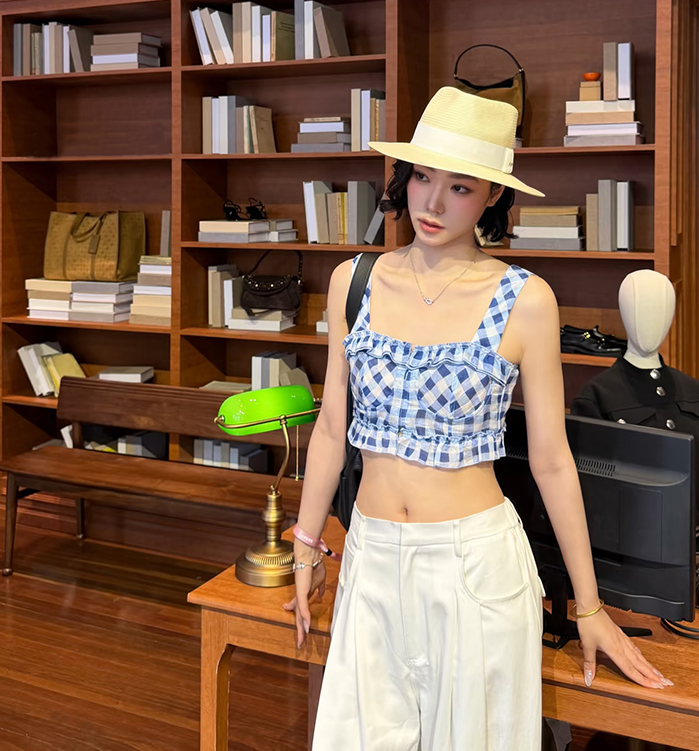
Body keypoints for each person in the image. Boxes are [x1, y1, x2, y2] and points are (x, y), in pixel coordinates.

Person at [283, 87, 672, 751]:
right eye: (422, 178)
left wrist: (589, 606)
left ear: (493, 194)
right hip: (370, 557)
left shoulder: (526, 300)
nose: (432, 203)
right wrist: (306, 543)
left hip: (473, 567)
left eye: (460, 187)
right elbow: (328, 429)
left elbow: (552, 461)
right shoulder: (354, 281)